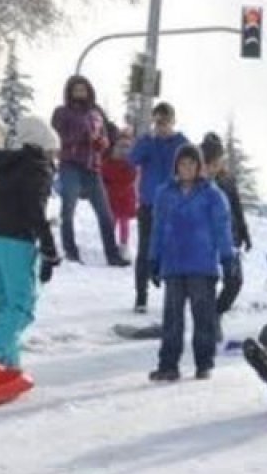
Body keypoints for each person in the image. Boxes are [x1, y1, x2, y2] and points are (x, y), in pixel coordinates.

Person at [0, 116, 62, 374]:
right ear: (43, 146)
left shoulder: (4, 167)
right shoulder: (38, 167)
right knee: (22, 309)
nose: (55, 159)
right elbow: (35, 211)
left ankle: (7, 366)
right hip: (14, 242)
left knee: (5, 307)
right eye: (53, 151)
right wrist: (49, 250)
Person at [147, 145, 236, 382]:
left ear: (199, 167)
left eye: (191, 164)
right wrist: (153, 259)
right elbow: (157, 228)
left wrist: (228, 259)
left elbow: (222, 229)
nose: (186, 169)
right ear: (176, 167)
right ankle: (168, 364)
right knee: (172, 319)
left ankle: (204, 362)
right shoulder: (165, 193)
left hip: (202, 264)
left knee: (203, 317)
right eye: (182, 164)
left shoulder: (212, 195)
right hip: (174, 263)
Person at [50, 75, 127, 266]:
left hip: (93, 166)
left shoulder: (96, 112)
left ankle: (112, 254)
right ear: (70, 92)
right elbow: (57, 137)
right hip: (71, 164)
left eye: (83, 90)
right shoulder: (62, 112)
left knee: (105, 212)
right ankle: (71, 251)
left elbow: (106, 137)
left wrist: (104, 142)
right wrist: (80, 136)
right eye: (76, 90)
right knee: (68, 209)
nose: (80, 94)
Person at [129, 102, 190, 313]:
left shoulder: (181, 143)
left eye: (164, 122)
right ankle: (141, 297)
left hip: (174, 207)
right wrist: (144, 141)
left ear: (172, 122)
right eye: (157, 123)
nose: (161, 127)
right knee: (144, 250)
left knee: (172, 250)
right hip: (148, 205)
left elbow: (192, 167)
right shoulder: (148, 142)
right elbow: (132, 159)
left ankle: (173, 296)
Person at [198, 133, 251, 322]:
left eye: (216, 162)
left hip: (230, 239)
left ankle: (215, 313)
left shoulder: (227, 180)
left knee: (235, 282)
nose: (213, 167)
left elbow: (237, 207)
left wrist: (244, 232)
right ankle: (207, 320)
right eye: (208, 163)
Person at [101, 124, 138, 256]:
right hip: (113, 195)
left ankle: (123, 244)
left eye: (127, 147)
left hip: (126, 196)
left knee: (124, 222)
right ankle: (111, 243)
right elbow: (103, 174)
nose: (124, 150)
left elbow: (133, 177)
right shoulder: (109, 162)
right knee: (113, 220)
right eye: (121, 147)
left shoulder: (131, 164)